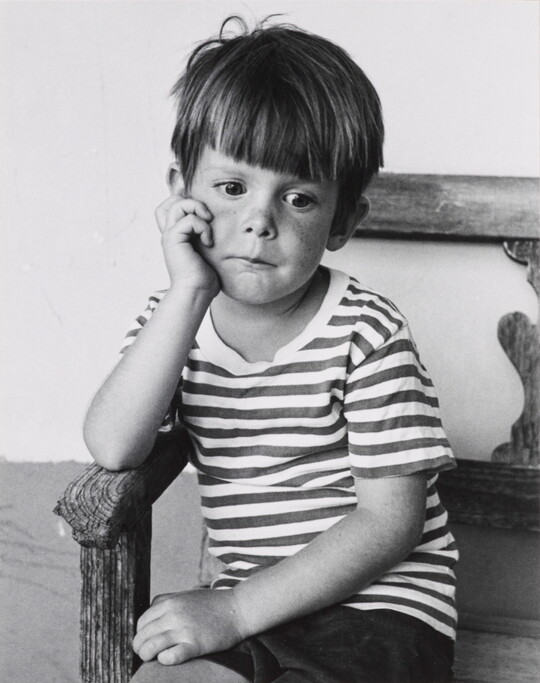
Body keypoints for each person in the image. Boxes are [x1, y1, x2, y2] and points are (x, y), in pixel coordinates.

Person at [84, 16, 458, 683]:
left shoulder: (365, 332)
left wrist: (232, 609)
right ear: (181, 193)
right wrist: (187, 293)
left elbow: (390, 523)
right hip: (251, 608)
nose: (260, 219)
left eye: (299, 197)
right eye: (232, 188)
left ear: (343, 221)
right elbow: (113, 447)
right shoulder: (174, 322)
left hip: (380, 612)